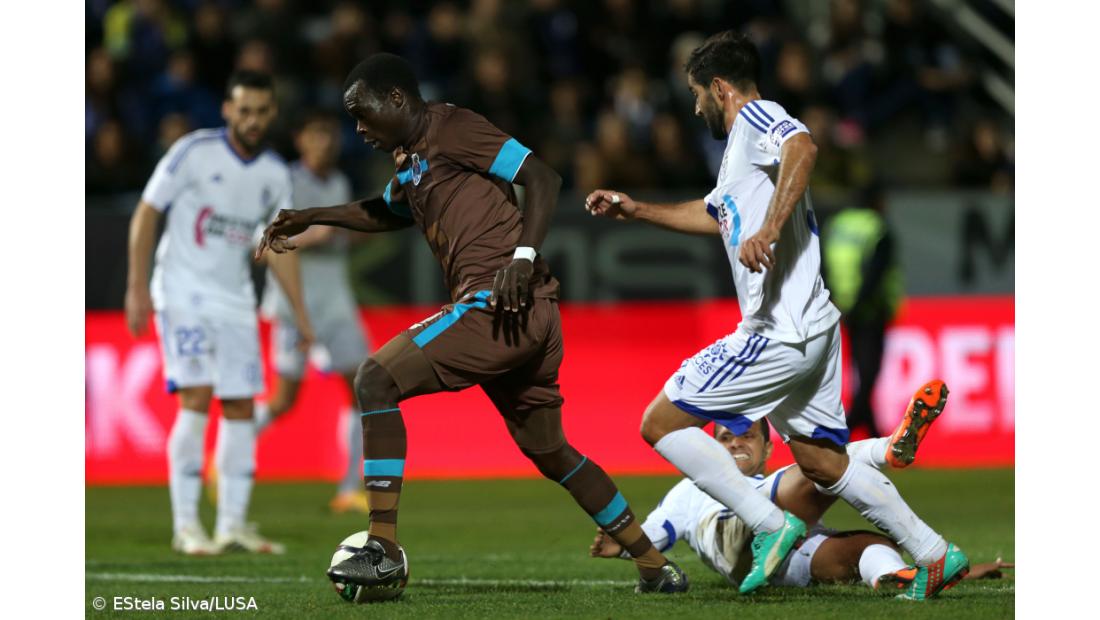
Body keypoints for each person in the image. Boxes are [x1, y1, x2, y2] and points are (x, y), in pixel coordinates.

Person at [257, 53, 688, 596]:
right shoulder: (409, 158)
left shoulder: (453, 127)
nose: (359, 129)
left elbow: (542, 177)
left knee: (373, 378)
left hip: (500, 300)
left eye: (362, 115)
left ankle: (382, 548)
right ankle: (655, 567)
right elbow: (384, 212)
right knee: (551, 451)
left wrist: (523, 256)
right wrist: (313, 215)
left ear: (396, 99)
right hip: (528, 315)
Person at [584, 31, 967, 599]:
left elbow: (804, 147)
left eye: (696, 94)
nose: (694, 107)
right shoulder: (741, 151)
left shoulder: (759, 117)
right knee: (822, 462)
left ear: (719, 88)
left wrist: (768, 228)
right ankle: (938, 554)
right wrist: (637, 209)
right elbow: (716, 214)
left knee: (659, 423)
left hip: (777, 332)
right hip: (815, 328)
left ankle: (769, 525)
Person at [125, 70, 313, 556]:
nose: (252, 120)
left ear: (272, 114)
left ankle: (232, 525)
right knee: (197, 393)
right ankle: (187, 525)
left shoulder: (275, 172)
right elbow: (148, 211)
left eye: (261, 111)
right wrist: (136, 287)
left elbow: (278, 247)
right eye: (243, 110)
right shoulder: (193, 151)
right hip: (182, 291)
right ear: (228, 110)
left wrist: (301, 314)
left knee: (241, 406)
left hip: (235, 301)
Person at [591, 380, 1010, 592]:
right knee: (815, 469)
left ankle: (895, 577)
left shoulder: (771, 478)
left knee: (869, 544)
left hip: (789, 562)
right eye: (724, 438)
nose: (735, 442)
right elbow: (654, 539)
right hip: (737, 537)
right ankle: (887, 449)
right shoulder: (691, 490)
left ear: (766, 448)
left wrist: (967, 575)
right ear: (708, 446)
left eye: (747, 436)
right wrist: (624, 541)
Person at [256, 110, 372, 514]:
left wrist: (351, 236)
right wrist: (316, 234)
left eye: (330, 134)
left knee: (362, 389)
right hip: (294, 304)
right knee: (285, 400)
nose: (325, 141)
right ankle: (228, 457)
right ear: (300, 138)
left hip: (336, 300)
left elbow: (339, 239)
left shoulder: (339, 182)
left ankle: (348, 487)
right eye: (316, 133)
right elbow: (265, 241)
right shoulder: (284, 180)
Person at [822, 181, 903, 439]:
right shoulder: (877, 228)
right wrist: (858, 305)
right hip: (869, 310)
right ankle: (849, 425)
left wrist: (834, 300)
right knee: (869, 373)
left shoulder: (837, 225)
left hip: (841, 307)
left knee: (861, 371)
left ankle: (872, 433)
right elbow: (876, 273)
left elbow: (823, 265)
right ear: (876, 201)